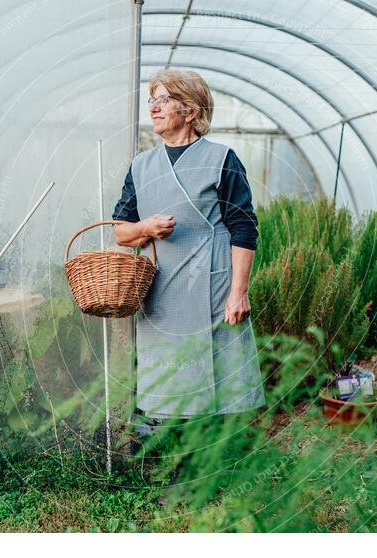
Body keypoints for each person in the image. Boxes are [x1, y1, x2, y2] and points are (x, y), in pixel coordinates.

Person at [112, 69, 266, 431]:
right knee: (166, 374)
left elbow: (244, 227)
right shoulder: (141, 166)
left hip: (212, 287)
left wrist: (238, 292)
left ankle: (213, 461)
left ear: (191, 111)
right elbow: (121, 231)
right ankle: (169, 458)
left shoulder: (222, 159)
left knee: (216, 376)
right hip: (161, 289)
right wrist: (146, 228)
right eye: (152, 100)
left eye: (163, 100)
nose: (153, 108)